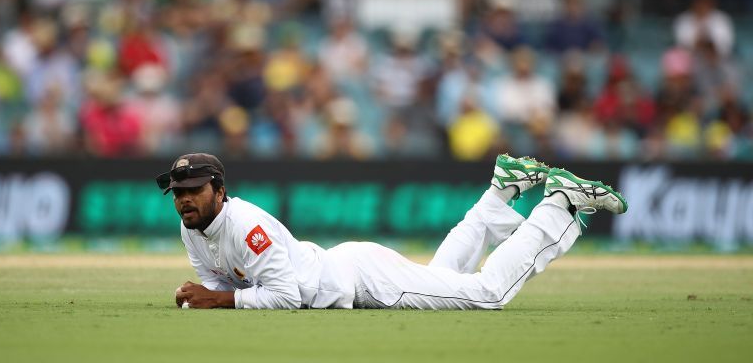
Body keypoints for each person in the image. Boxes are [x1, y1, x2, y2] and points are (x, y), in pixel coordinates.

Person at [159, 152, 627, 310]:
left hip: (362, 283)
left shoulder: (246, 225)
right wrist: (208, 294)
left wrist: (218, 300)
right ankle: (499, 195)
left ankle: (559, 203)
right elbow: (218, 283)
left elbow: (287, 295)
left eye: (193, 190)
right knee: (448, 278)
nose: (183, 199)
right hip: (349, 269)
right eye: (178, 192)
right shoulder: (193, 228)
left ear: (218, 190)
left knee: (486, 295)